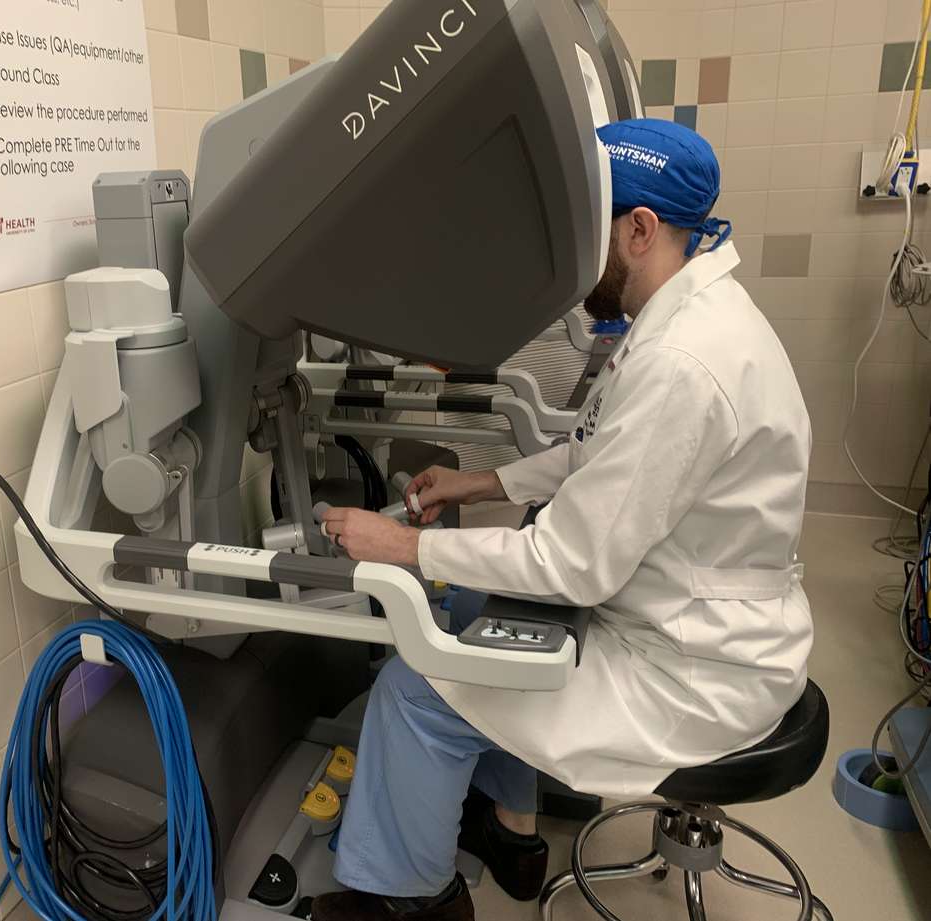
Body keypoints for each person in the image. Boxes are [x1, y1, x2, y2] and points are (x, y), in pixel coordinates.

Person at [313, 118, 814, 921]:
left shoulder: (683, 361)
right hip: (690, 616)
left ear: (640, 230)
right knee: (479, 615)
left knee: (415, 688)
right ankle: (510, 833)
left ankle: (408, 902)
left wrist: (407, 546)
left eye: (585, 233)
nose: (569, 257)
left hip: (692, 668)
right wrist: (476, 484)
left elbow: (574, 564)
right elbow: (597, 452)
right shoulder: (683, 317)